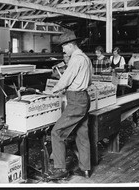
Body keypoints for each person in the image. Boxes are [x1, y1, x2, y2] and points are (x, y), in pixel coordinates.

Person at [47, 31, 92, 180]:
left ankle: (60, 169)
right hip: (84, 97)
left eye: (64, 47)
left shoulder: (75, 59)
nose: (63, 51)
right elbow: (89, 81)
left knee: (57, 132)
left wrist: (52, 91)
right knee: (82, 134)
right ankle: (85, 169)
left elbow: (65, 79)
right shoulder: (86, 58)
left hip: (76, 100)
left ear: (70, 45)